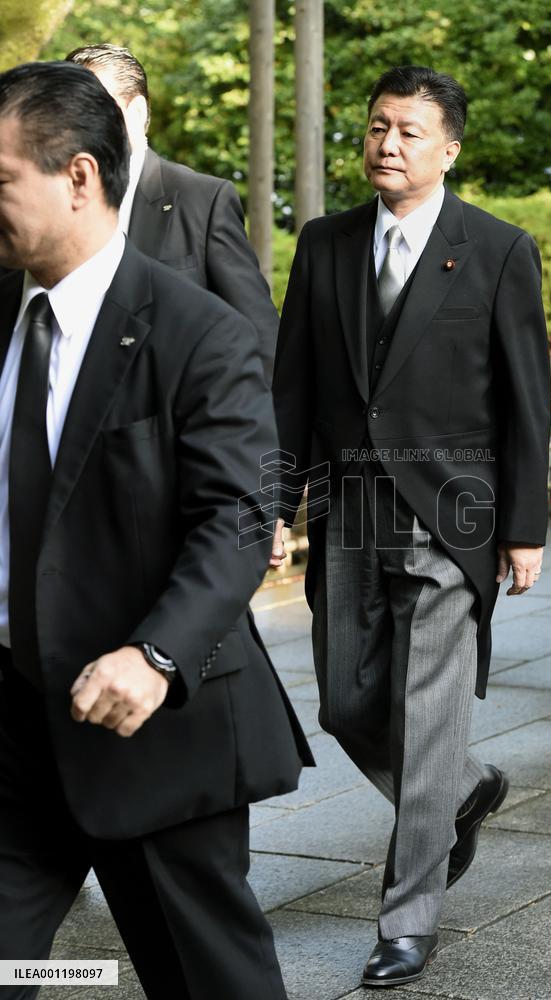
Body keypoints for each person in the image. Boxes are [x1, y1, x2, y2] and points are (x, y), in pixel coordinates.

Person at [0, 60, 311, 1000]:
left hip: (145, 719)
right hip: (15, 726)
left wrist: (155, 654)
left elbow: (238, 518)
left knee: (206, 980)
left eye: (1, 178)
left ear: (80, 177)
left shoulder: (196, 334)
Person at [271, 65, 551, 989]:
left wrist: (524, 527)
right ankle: (465, 793)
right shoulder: (325, 244)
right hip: (349, 511)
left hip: (453, 517)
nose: (388, 144)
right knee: (348, 705)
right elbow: (294, 389)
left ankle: (408, 920)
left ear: (450, 149)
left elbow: (525, 400)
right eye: (377, 127)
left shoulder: (500, 249)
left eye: (410, 132)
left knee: (428, 722)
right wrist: (275, 504)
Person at [65, 43, 279, 384]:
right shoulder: (55, 203)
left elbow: (258, 336)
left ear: (136, 112)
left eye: (92, 108)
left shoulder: (202, 200)